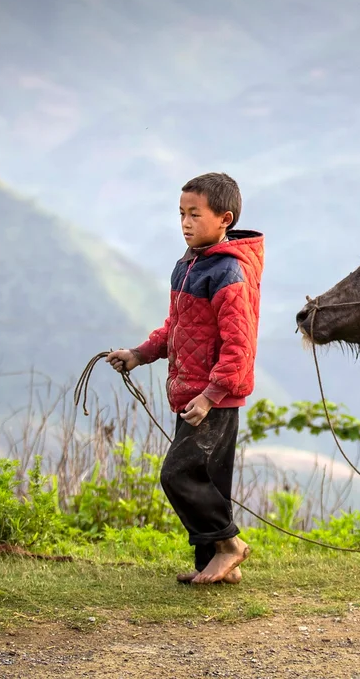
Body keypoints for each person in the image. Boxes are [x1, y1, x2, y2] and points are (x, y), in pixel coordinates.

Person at [107, 172, 263, 585]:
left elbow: (239, 345)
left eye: (195, 214)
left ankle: (229, 547)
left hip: (213, 397)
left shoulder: (227, 272)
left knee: (177, 473)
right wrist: (139, 354)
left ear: (224, 218)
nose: (186, 222)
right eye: (181, 214)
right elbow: (176, 328)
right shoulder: (189, 266)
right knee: (209, 478)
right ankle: (213, 562)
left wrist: (211, 395)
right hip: (191, 393)